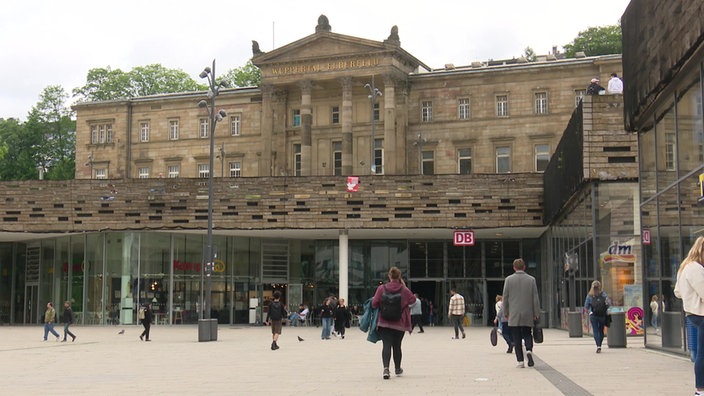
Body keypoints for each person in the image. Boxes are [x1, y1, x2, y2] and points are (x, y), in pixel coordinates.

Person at [371, 266, 416, 380]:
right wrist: (404, 287)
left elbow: (374, 303)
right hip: (399, 323)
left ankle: (386, 369)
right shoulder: (403, 290)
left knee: (386, 345)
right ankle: (397, 368)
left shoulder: (381, 288)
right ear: (399, 277)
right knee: (397, 346)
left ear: (389, 276)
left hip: (384, 322)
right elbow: (413, 300)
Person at [674, 236, 704, 396]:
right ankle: (700, 389)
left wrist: (689, 297)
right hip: (701, 313)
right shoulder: (695, 269)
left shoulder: (685, 267)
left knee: (701, 353)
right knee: (702, 354)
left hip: (693, 314)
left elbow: (677, 292)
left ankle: (700, 389)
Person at [502, 258, 540, 368]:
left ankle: (520, 361)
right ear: (524, 267)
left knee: (516, 337)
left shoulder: (508, 280)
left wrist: (506, 312)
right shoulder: (531, 280)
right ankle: (528, 350)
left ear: (514, 267)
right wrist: (536, 312)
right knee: (528, 333)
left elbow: (505, 297)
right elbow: (535, 297)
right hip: (527, 312)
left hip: (514, 314)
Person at [585, 280, 610, 353]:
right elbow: (608, 304)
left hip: (593, 315)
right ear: (600, 286)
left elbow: (586, 306)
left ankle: (598, 345)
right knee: (601, 330)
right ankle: (600, 344)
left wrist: (589, 311)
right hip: (602, 315)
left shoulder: (589, 295)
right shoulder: (603, 294)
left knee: (595, 331)